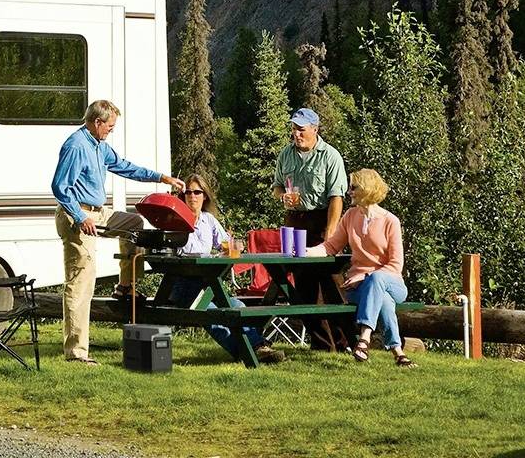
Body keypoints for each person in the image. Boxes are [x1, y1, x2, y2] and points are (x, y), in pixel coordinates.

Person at [52, 99, 184, 365]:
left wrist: (162, 178)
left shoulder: (100, 146)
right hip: (76, 214)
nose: (111, 130)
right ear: (97, 122)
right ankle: (76, 353)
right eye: (109, 126)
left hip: (98, 212)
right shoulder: (76, 146)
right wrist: (80, 217)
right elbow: (59, 186)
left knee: (134, 224)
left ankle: (126, 286)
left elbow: (125, 166)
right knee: (81, 282)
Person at [169, 174, 285, 364]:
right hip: (185, 287)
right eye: (188, 192)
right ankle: (248, 351)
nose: (192, 196)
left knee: (238, 306)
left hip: (207, 286)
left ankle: (257, 348)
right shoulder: (176, 221)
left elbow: (227, 244)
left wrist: (233, 246)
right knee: (213, 315)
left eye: (197, 192)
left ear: (204, 195)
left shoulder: (209, 220)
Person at [306, 169, 415, 368]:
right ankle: (398, 352)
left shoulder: (390, 221)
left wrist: (366, 276)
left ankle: (364, 338)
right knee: (383, 299)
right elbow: (331, 247)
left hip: (392, 282)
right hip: (360, 289)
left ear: (367, 189)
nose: (349, 192)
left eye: (353, 187)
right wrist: (305, 251)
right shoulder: (350, 216)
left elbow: (395, 264)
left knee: (377, 281)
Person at [271, 106, 347, 348]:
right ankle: (321, 344)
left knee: (332, 283)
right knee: (304, 288)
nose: (296, 134)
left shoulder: (330, 156)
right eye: (294, 129)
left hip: (322, 220)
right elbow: (276, 186)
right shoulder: (285, 154)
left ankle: (346, 340)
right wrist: (281, 196)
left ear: (315, 129)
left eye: (301, 129)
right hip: (294, 222)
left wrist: (331, 231)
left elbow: (337, 197)